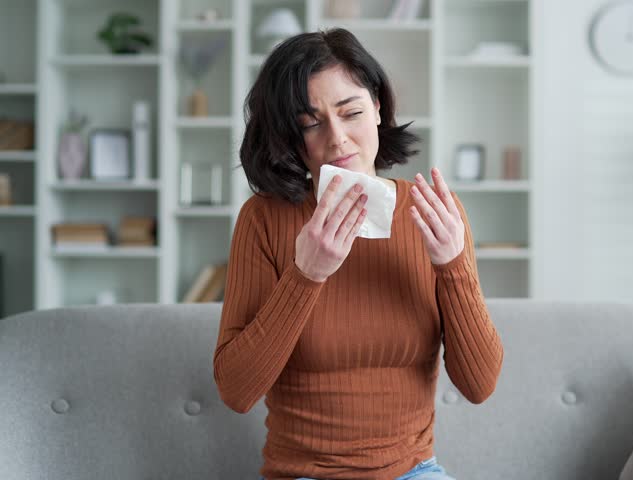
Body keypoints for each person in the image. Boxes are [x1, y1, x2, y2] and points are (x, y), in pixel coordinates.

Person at [213, 28, 504, 480]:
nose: (338, 138)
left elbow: (480, 385)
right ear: (291, 136)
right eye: (311, 122)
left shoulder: (433, 212)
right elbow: (235, 391)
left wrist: (452, 267)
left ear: (378, 109)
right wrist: (305, 274)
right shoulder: (263, 221)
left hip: (412, 472)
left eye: (351, 112)